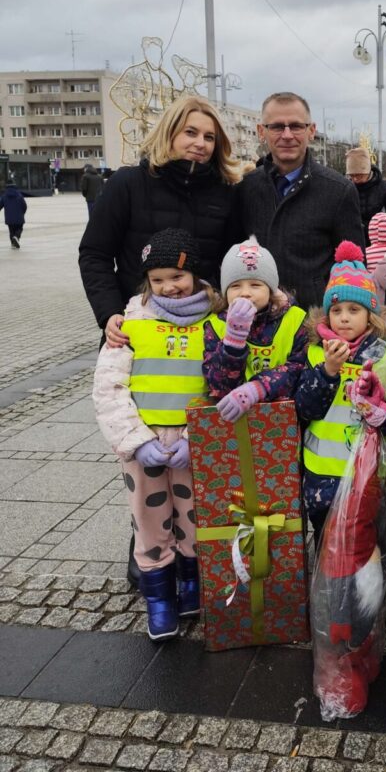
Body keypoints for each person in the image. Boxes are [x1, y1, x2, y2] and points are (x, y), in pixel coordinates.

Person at [79, 94, 243, 586]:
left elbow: (231, 262)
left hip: (200, 340)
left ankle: (194, 560)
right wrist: (110, 314)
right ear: (170, 132)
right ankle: (149, 549)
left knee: (193, 468)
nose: (198, 144)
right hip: (140, 336)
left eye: (209, 136)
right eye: (190, 132)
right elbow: (94, 254)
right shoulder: (128, 184)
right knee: (142, 458)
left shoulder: (226, 192)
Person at [92, 229, 220, 640]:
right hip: (143, 444)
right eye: (159, 279)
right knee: (150, 521)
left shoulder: (215, 323)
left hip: (190, 444)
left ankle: (191, 584)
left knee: (194, 517)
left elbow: (219, 386)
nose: (169, 287)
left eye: (177, 277)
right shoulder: (131, 324)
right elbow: (109, 388)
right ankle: (159, 600)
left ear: (195, 277)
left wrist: (194, 437)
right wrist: (136, 440)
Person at [294, 242, 386, 538]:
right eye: (336, 309)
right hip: (325, 477)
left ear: (371, 314)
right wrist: (328, 373)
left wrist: (380, 409)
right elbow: (305, 409)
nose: (344, 317)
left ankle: (367, 586)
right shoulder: (315, 354)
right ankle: (331, 586)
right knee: (327, 544)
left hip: (374, 475)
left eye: (354, 309)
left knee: (367, 544)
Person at [240, 93, 364, 310]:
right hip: (255, 320)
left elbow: (353, 268)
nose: (287, 135)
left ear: (311, 131)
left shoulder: (339, 191)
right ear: (262, 131)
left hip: (312, 323)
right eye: (277, 126)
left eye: (296, 126)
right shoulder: (245, 187)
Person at [203, 236, 308, 414]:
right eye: (235, 286)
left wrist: (258, 388)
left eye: (255, 285)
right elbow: (218, 387)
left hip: (280, 422)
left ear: (271, 289)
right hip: (235, 423)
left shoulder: (295, 319)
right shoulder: (215, 325)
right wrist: (233, 343)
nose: (245, 293)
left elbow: (299, 369)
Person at [345, 147, 386, 245]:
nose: (355, 179)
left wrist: (381, 234)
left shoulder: (384, 187)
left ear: (368, 170)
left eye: (358, 175)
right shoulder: (347, 187)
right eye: (351, 175)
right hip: (353, 241)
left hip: (378, 241)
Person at [0, 182, 27, 249]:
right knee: (19, 228)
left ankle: (13, 243)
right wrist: (22, 213)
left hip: (9, 218)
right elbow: (24, 206)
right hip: (19, 217)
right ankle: (16, 237)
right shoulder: (19, 195)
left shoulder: (4, 196)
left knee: (11, 230)